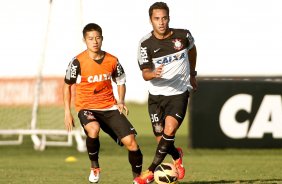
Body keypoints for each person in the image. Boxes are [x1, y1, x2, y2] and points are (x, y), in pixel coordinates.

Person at [63, 23, 143, 183]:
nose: (95, 41)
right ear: (85, 40)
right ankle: (95, 167)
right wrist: (67, 112)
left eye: (97, 38)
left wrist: (121, 101)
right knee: (93, 129)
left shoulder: (112, 60)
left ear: (102, 39)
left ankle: (138, 180)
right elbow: (67, 85)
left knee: (132, 143)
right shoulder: (77, 62)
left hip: (110, 107)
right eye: (90, 38)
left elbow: (121, 81)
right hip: (86, 107)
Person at [133, 2, 197, 184]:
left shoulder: (183, 36)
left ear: (169, 18)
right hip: (156, 96)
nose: (161, 22)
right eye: (156, 19)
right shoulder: (145, 44)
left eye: (164, 18)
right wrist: (153, 74)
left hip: (179, 93)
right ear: (150, 20)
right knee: (161, 138)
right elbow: (145, 73)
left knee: (169, 130)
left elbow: (192, 50)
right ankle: (177, 156)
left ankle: (150, 172)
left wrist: (192, 73)